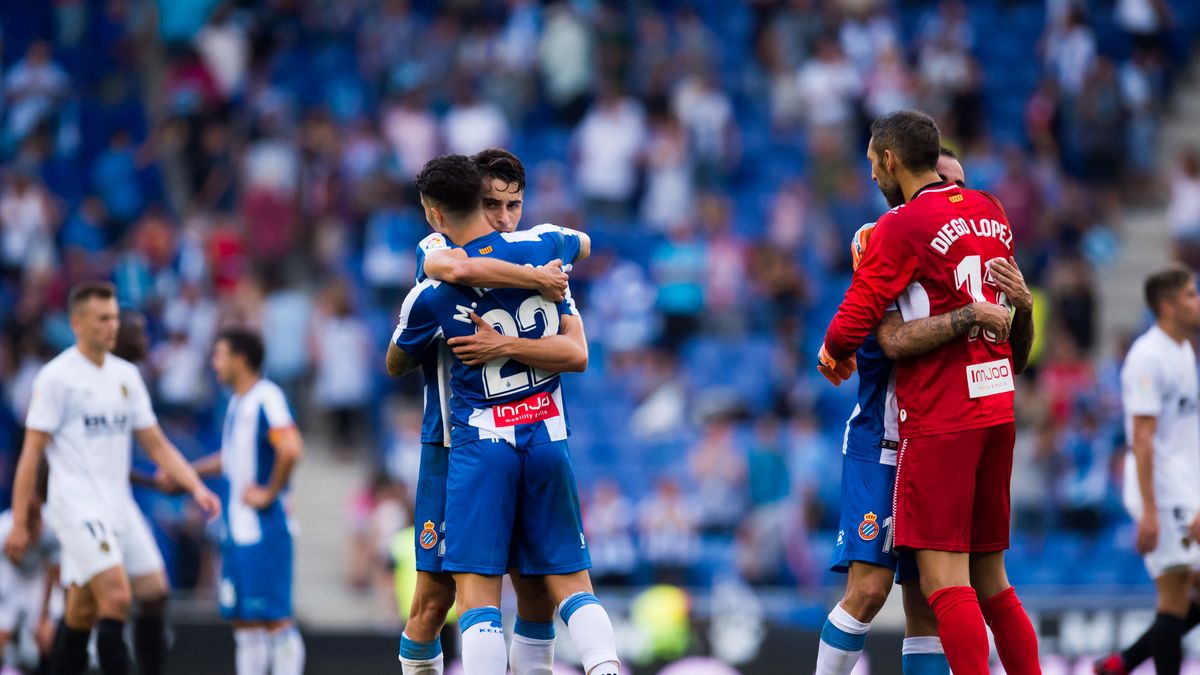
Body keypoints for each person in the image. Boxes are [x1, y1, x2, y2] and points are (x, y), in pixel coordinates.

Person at [819, 111, 1039, 675]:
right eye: (949, 182)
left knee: (934, 594)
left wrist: (833, 349)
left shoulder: (909, 228)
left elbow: (1016, 344)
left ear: (891, 161)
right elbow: (888, 339)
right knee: (878, 589)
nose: (956, 195)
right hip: (899, 432)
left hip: (938, 423)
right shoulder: (967, 217)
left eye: (961, 184)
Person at [388, 155, 619, 675]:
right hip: (453, 448)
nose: (504, 217)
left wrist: (501, 337)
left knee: (520, 596)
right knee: (430, 603)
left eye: (514, 205)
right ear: (473, 201)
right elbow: (577, 243)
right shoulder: (536, 259)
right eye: (492, 204)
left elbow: (395, 360)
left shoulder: (515, 260)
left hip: (490, 442)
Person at [4, 281, 221, 675]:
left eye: (115, 318)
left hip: (117, 504)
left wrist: (195, 486)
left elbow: (156, 444)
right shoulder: (57, 378)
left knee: (141, 595)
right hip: (76, 507)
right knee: (117, 597)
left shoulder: (126, 376)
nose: (113, 326)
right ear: (77, 323)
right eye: (103, 318)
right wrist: (21, 521)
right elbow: (31, 455)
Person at [1094, 265, 1200, 675]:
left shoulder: (1184, 351)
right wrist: (1151, 511)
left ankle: (1120, 665)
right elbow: (1142, 439)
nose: (1198, 301)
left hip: (1183, 489)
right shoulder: (1146, 358)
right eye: (1191, 294)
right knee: (1172, 599)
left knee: (1185, 601)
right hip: (1161, 490)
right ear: (1168, 305)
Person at [183, 328, 306, 675]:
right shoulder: (238, 402)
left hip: (264, 529)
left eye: (219, 354)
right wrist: (187, 474)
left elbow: (291, 448)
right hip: (237, 530)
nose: (214, 363)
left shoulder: (267, 397)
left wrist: (269, 492)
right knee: (244, 622)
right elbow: (232, 457)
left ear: (239, 358)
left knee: (274, 618)